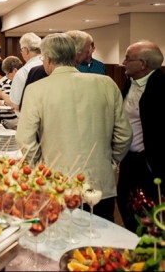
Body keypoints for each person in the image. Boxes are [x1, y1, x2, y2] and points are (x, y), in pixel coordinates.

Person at [16, 32, 132, 222]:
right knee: (101, 241)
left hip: (56, 183)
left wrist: (40, 169)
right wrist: (110, 161)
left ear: (49, 59)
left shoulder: (36, 89)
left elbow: (24, 139)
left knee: (61, 243)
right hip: (100, 182)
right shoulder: (107, 84)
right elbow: (124, 134)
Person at [117, 40, 165, 233]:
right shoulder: (130, 82)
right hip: (128, 160)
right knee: (125, 204)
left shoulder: (161, 88)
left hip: (150, 162)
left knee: (150, 215)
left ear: (143, 64)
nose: (122, 62)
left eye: (128, 58)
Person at [0, 59, 18, 128]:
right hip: (5, 118)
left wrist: (0, 102)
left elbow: (10, 102)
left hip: (8, 120)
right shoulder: (2, 82)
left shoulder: (6, 83)